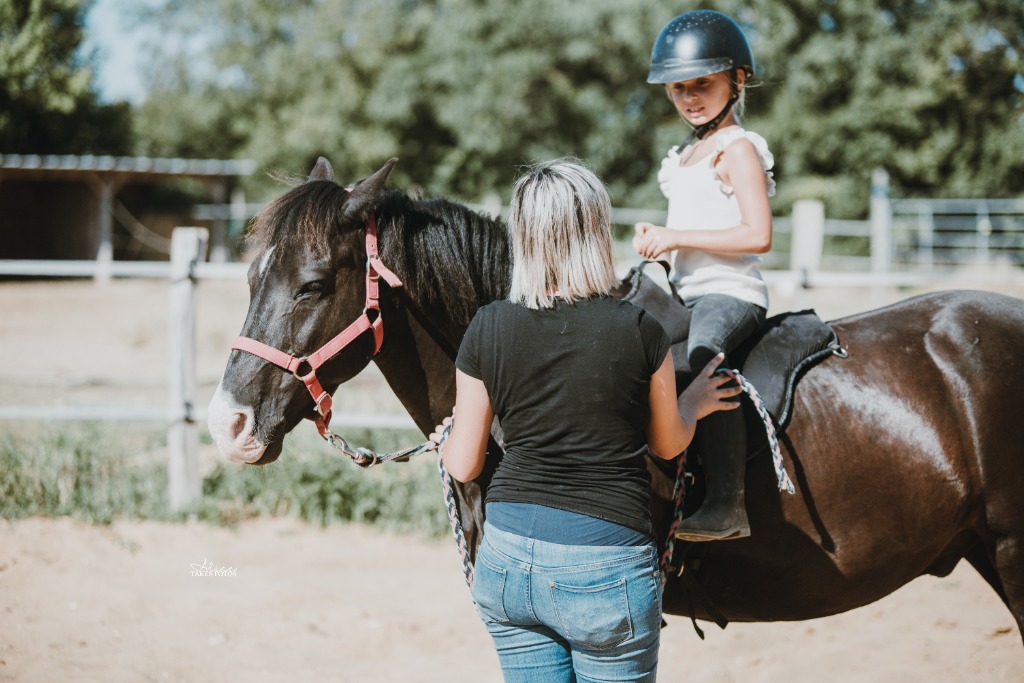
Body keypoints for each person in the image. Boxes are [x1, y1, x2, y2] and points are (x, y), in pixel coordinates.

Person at [430, 160, 740, 682]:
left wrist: (448, 435)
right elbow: (667, 445)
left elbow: (463, 464)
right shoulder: (640, 330)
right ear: (596, 232)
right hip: (604, 569)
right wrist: (695, 403)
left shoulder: (488, 325)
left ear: (523, 236)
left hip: (506, 562)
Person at [632, 10, 776, 543]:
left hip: (729, 293)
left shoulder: (737, 149)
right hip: (686, 291)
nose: (689, 97)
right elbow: (690, 231)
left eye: (703, 84)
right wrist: (660, 240)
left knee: (701, 357)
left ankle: (726, 502)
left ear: (737, 80)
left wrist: (677, 238)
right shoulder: (687, 155)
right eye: (678, 88)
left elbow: (757, 235)